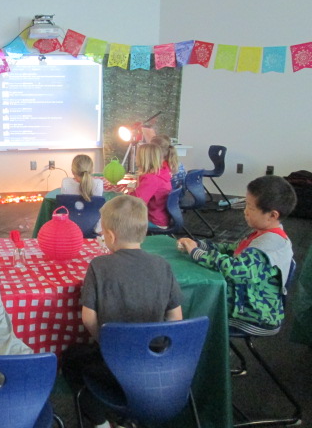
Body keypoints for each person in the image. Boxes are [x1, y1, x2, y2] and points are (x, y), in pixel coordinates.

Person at [65, 196, 183, 427]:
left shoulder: (99, 266)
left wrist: (105, 343)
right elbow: (176, 318)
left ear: (110, 236)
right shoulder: (163, 265)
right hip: (157, 367)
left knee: (71, 359)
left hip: (113, 364)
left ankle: (99, 421)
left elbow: (88, 318)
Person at [177, 175, 297, 329]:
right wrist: (200, 245)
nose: (245, 212)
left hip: (254, 314)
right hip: (246, 301)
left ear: (272, 215)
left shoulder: (269, 246)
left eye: (251, 208)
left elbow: (234, 270)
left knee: (192, 309)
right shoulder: (262, 234)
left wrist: (197, 253)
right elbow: (231, 249)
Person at [129, 143, 172, 229]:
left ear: (143, 159)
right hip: (161, 216)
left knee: (117, 217)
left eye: (137, 155)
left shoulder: (151, 179)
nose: (135, 157)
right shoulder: (161, 173)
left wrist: (129, 191)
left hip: (154, 220)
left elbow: (136, 203)